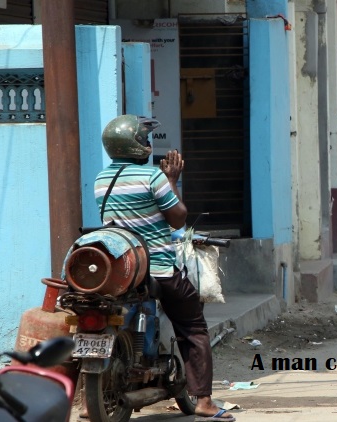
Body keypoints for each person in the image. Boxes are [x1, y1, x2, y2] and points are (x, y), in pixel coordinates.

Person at [94, 115, 234, 422]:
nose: (147, 143)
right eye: (144, 139)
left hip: (121, 269)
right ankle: (204, 400)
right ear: (135, 145)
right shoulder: (152, 177)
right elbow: (178, 218)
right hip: (156, 268)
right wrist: (171, 180)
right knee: (193, 327)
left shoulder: (102, 179)